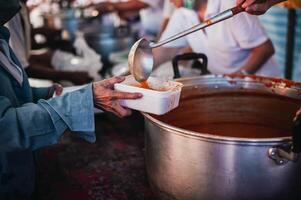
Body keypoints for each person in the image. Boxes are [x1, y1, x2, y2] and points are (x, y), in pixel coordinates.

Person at [0, 0, 142, 198]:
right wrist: (84, 99)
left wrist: (46, 94)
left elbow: (10, 93)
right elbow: (7, 127)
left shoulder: (2, 37)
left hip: (21, 170)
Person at [153, 0, 280, 77]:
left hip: (260, 84)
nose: (169, 1)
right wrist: (136, 69)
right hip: (225, 88)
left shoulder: (230, 5)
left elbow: (265, 49)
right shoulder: (182, 14)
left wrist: (236, 78)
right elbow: (162, 52)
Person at [6, 0, 94, 85]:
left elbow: (25, 46)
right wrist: (69, 76)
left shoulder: (22, 7)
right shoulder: (12, 13)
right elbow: (21, 68)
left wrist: (48, 41)